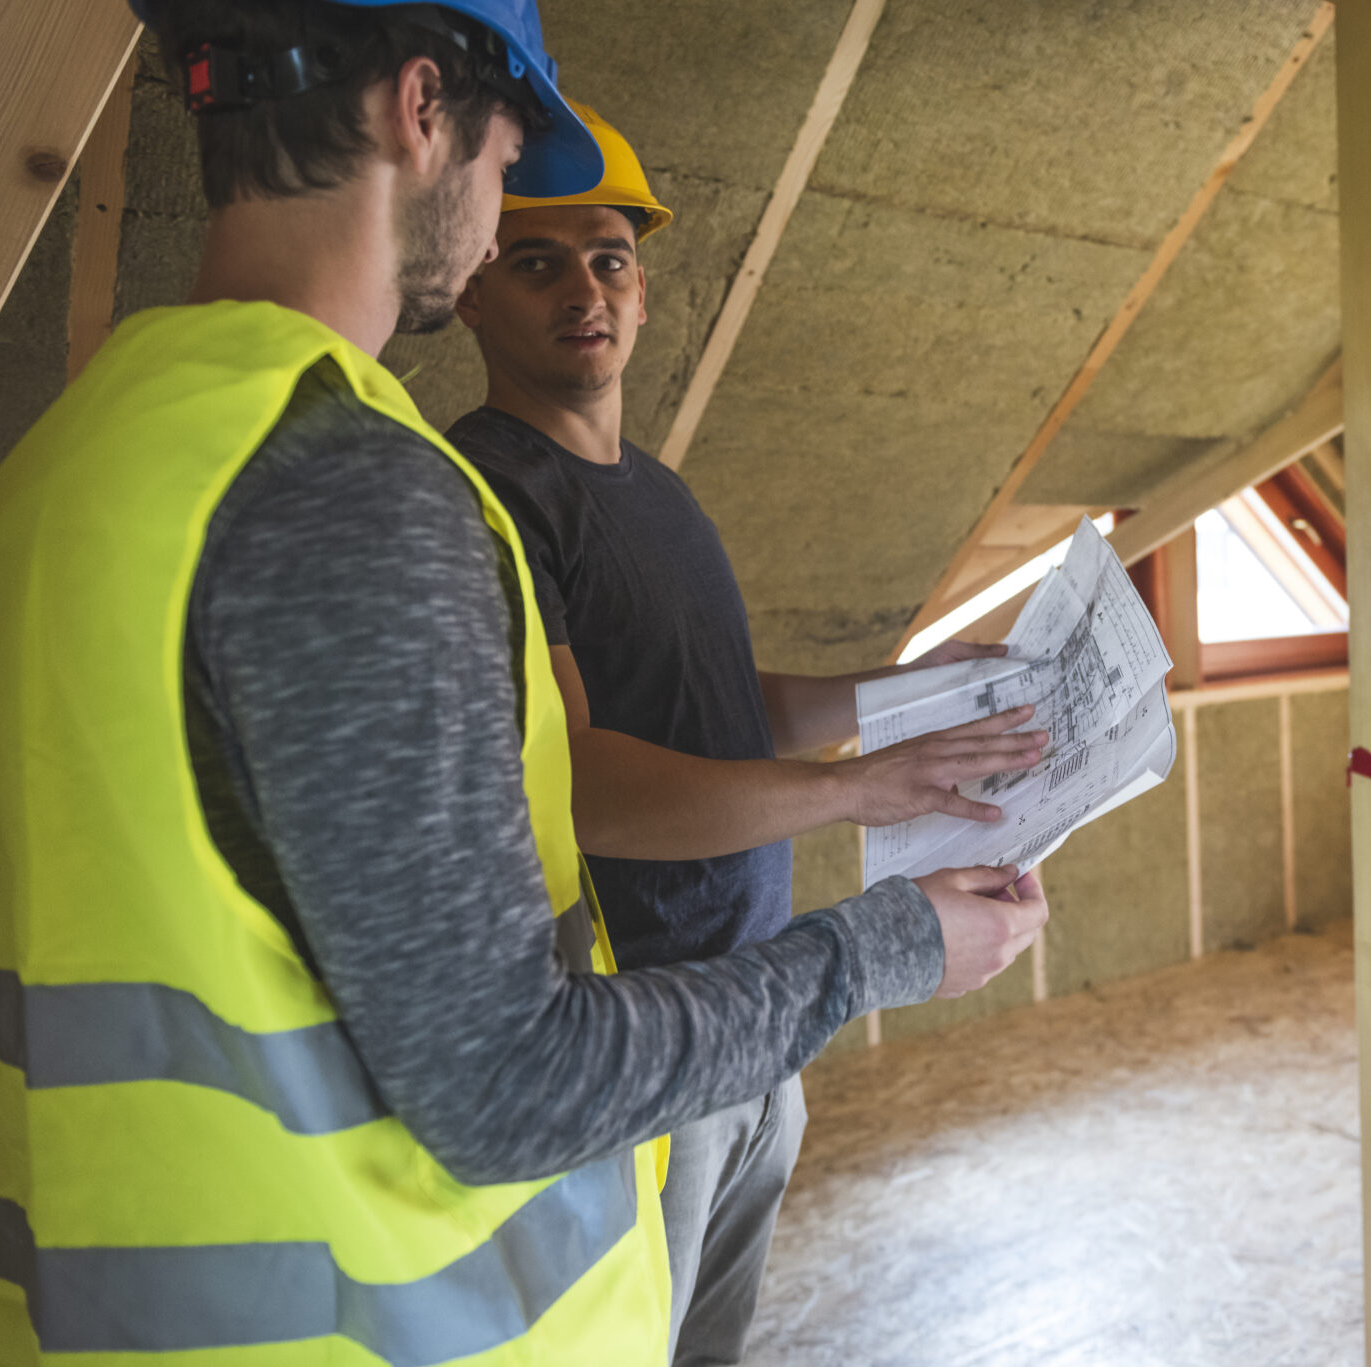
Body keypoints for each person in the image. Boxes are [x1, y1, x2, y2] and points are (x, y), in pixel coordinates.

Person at [0, 4, 1046, 1364]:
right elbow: (508, 1084)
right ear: (423, 110)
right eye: (511, 144)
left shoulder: (56, 466)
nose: (509, 191)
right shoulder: (351, 491)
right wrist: (888, 946)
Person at [446, 103, 1046, 1366]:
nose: (582, 290)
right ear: (470, 294)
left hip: (755, 1010)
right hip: (637, 1029)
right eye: (536, 260)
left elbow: (736, 709)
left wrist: (904, 696)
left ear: (646, 292)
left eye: (607, 258)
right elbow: (585, 786)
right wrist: (856, 793)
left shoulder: (652, 490)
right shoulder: (491, 488)